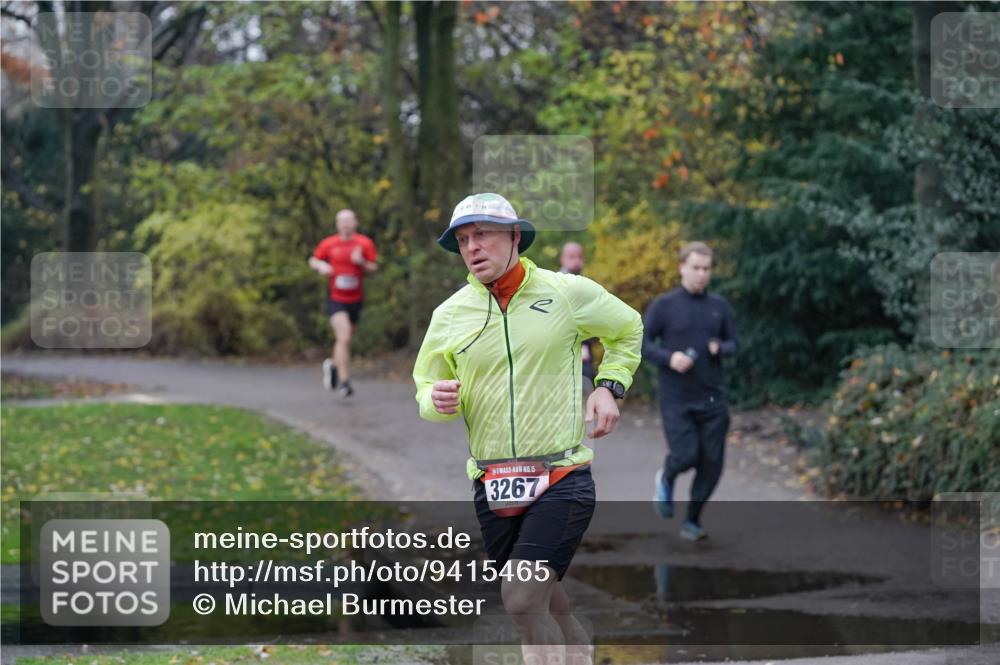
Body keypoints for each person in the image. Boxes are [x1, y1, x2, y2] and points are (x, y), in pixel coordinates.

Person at [413, 193, 643, 665]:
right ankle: (575, 642)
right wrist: (433, 399)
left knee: (520, 599)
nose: (472, 247)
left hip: (562, 474)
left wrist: (608, 386)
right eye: (462, 240)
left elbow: (628, 328)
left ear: (515, 236)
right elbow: (425, 385)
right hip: (494, 482)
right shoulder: (449, 315)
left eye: (483, 235)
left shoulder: (565, 293)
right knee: (537, 595)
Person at [642, 241, 738, 541]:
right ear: (682, 267)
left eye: (706, 269)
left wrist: (719, 347)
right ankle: (667, 476)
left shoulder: (719, 307)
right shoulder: (664, 306)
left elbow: (735, 344)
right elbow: (641, 343)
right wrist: (669, 358)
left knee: (712, 464)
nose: (701, 274)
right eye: (695, 268)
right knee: (685, 455)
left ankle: (692, 522)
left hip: (712, 398)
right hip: (676, 398)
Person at [309, 209, 378, 398]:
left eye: (349, 221)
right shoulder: (329, 243)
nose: (346, 224)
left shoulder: (364, 243)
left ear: (355, 223)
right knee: (344, 337)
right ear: (337, 224)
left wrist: (361, 262)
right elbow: (313, 259)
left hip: (355, 299)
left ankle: (333, 365)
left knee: (344, 340)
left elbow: (373, 267)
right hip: (336, 298)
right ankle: (345, 382)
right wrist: (321, 265)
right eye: (342, 221)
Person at [558, 242, 596, 390]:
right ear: (562, 259)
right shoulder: (555, 285)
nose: (576, 261)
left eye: (580, 257)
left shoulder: (588, 284)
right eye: (571, 257)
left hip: (585, 349)